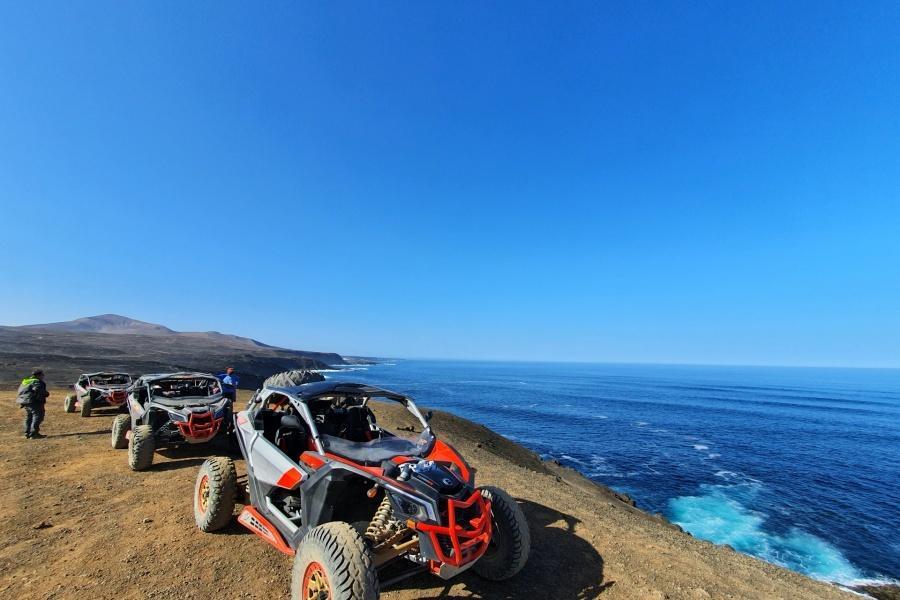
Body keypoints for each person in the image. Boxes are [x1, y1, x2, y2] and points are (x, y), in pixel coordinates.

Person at [18, 368, 50, 439]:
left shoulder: (26, 381)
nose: (43, 376)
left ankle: (27, 433)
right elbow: (37, 389)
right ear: (38, 375)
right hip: (34, 401)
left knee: (29, 417)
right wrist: (46, 393)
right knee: (38, 416)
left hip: (24, 401)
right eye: (42, 375)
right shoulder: (37, 381)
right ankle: (34, 434)